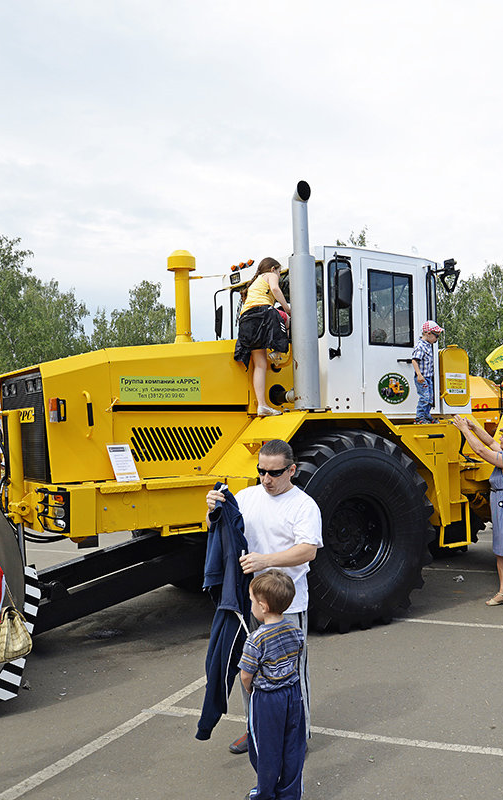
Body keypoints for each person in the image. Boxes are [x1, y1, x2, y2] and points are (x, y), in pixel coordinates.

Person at [206, 439, 322, 755]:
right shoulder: (245, 497)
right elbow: (220, 529)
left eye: (274, 472)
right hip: (249, 605)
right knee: (251, 669)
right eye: (261, 471)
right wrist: (213, 511)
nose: (266, 479)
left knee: (292, 673)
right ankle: (254, 728)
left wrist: (265, 560)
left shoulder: (304, 505)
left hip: (287, 605)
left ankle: (298, 733)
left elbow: (307, 550)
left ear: (292, 470)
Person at [452, 416, 503, 610]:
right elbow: (489, 442)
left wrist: (464, 429)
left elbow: (481, 450)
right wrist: (474, 426)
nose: (499, 439)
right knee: (501, 552)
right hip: (501, 505)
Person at [239, 570, 306, 800]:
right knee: (292, 746)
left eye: (251, 601)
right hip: (293, 694)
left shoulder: (255, 640)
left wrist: (250, 690)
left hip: (267, 699)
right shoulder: (296, 631)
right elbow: (296, 657)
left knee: (265, 749)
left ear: (263, 606)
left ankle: (265, 793)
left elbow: (245, 675)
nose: (251, 605)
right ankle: (289, 794)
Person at [233, 257, 292, 417]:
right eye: (280, 272)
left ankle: (262, 405)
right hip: (261, 315)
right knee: (286, 319)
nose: (279, 276)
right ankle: (279, 353)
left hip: (246, 321)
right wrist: (287, 308)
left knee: (260, 364)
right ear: (273, 269)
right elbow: (275, 289)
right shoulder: (270, 275)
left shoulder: (254, 283)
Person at [411, 321, 443, 424]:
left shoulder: (428, 345)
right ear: (428, 333)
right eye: (436, 336)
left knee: (430, 398)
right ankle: (419, 417)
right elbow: (414, 360)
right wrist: (419, 375)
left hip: (428, 377)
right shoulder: (421, 346)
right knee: (424, 397)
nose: (437, 339)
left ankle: (426, 415)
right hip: (422, 377)